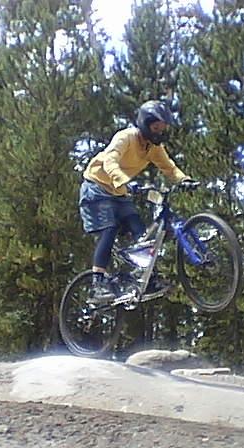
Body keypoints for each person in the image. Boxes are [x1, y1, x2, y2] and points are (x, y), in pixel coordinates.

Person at [79, 100, 197, 301]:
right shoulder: (126, 137)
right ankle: (97, 283)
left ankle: (146, 277)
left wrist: (184, 180)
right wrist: (123, 180)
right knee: (109, 229)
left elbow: (169, 168)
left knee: (141, 234)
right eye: (157, 127)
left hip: (119, 193)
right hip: (96, 188)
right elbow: (110, 160)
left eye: (163, 128)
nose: (160, 132)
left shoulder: (153, 148)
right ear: (145, 123)